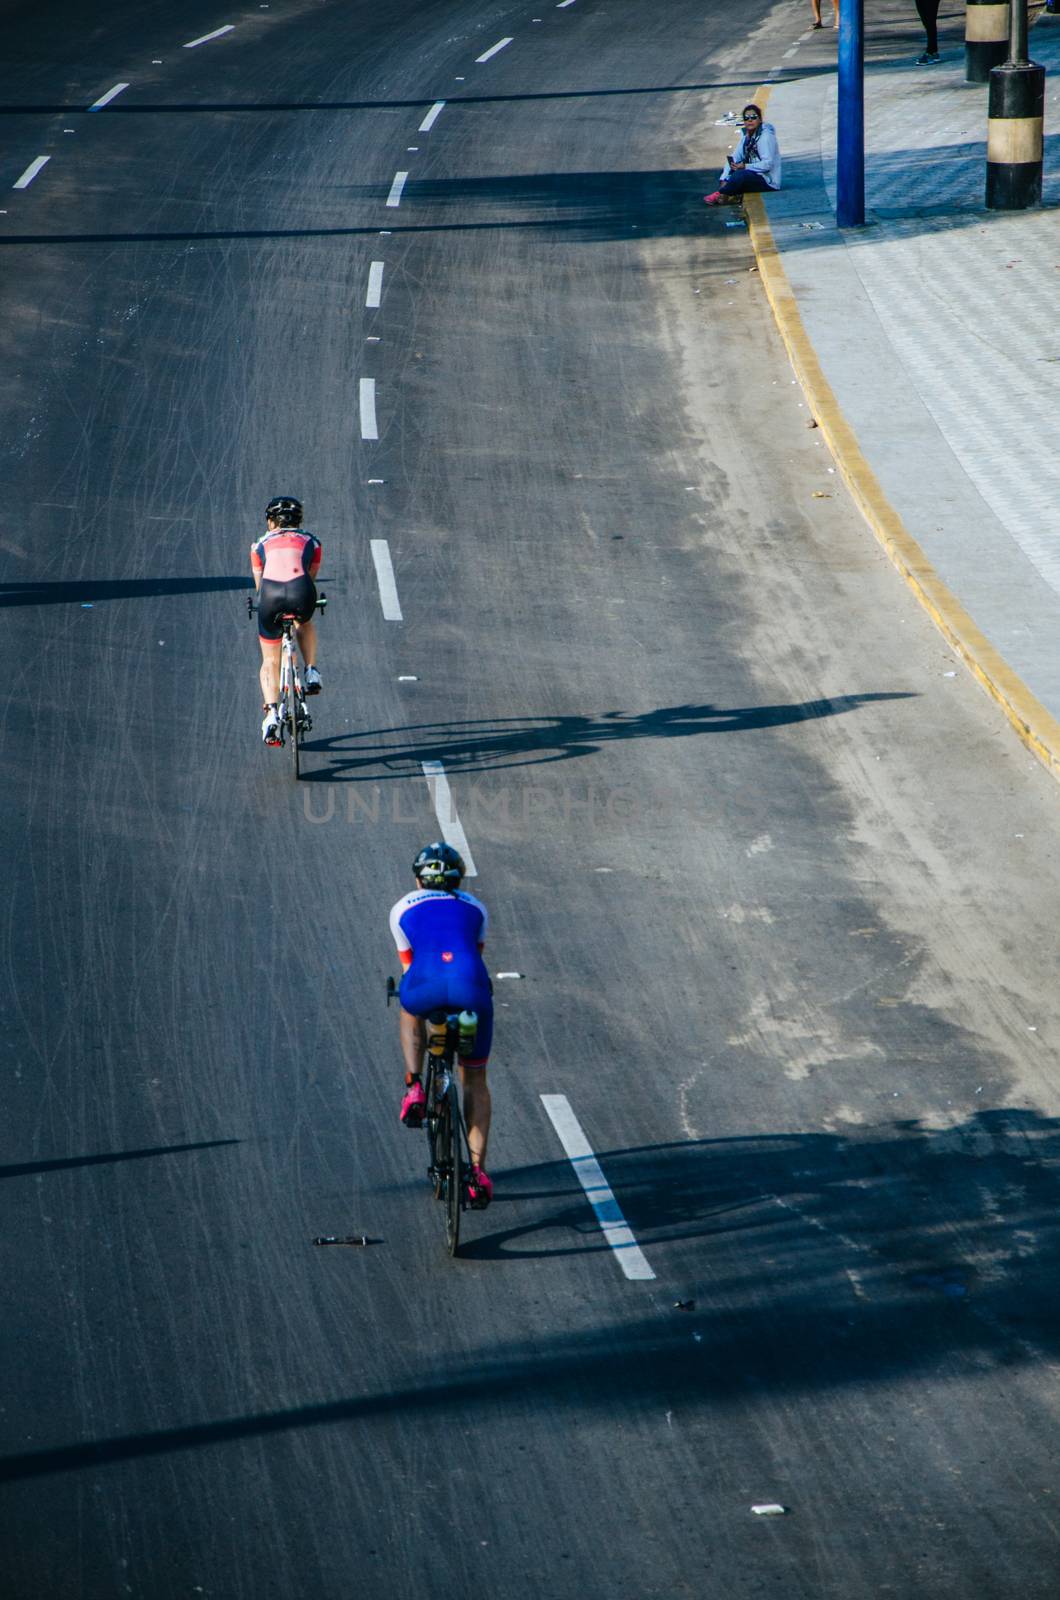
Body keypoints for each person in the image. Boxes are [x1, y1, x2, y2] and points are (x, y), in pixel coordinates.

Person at [390, 843, 495, 1208]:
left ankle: (414, 1085)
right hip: (470, 988)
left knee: (410, 1004)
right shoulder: (477, 908)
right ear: (458, 879)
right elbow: (471, 956)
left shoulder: (402, 907)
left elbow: (410, 967)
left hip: (426, 984)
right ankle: (477, 1174)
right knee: (475, 1079)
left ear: (419, 879)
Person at [250, 496, 322, 746]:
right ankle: (311, 671)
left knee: (270, 659)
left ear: (271, 521)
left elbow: (259, 586)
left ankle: (271, 715)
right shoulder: (312, 541)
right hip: (301, 591)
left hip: (271, 596)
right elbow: (311, 577)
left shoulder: (259, 544)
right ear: (299, 520)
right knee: (304, 621)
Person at [704, 106, 782, 205]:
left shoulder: (766, 137)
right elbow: (735, 157)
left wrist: (745, 166)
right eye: (746, 118)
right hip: (753, 174)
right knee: (728, 170)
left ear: (760, 119)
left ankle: (722, 194)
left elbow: (767, 165)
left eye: (753, 117)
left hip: (768, 181)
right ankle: (728, 194)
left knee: (740, 175)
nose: (750, 120)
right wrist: (724, 179)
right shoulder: (746, 136)